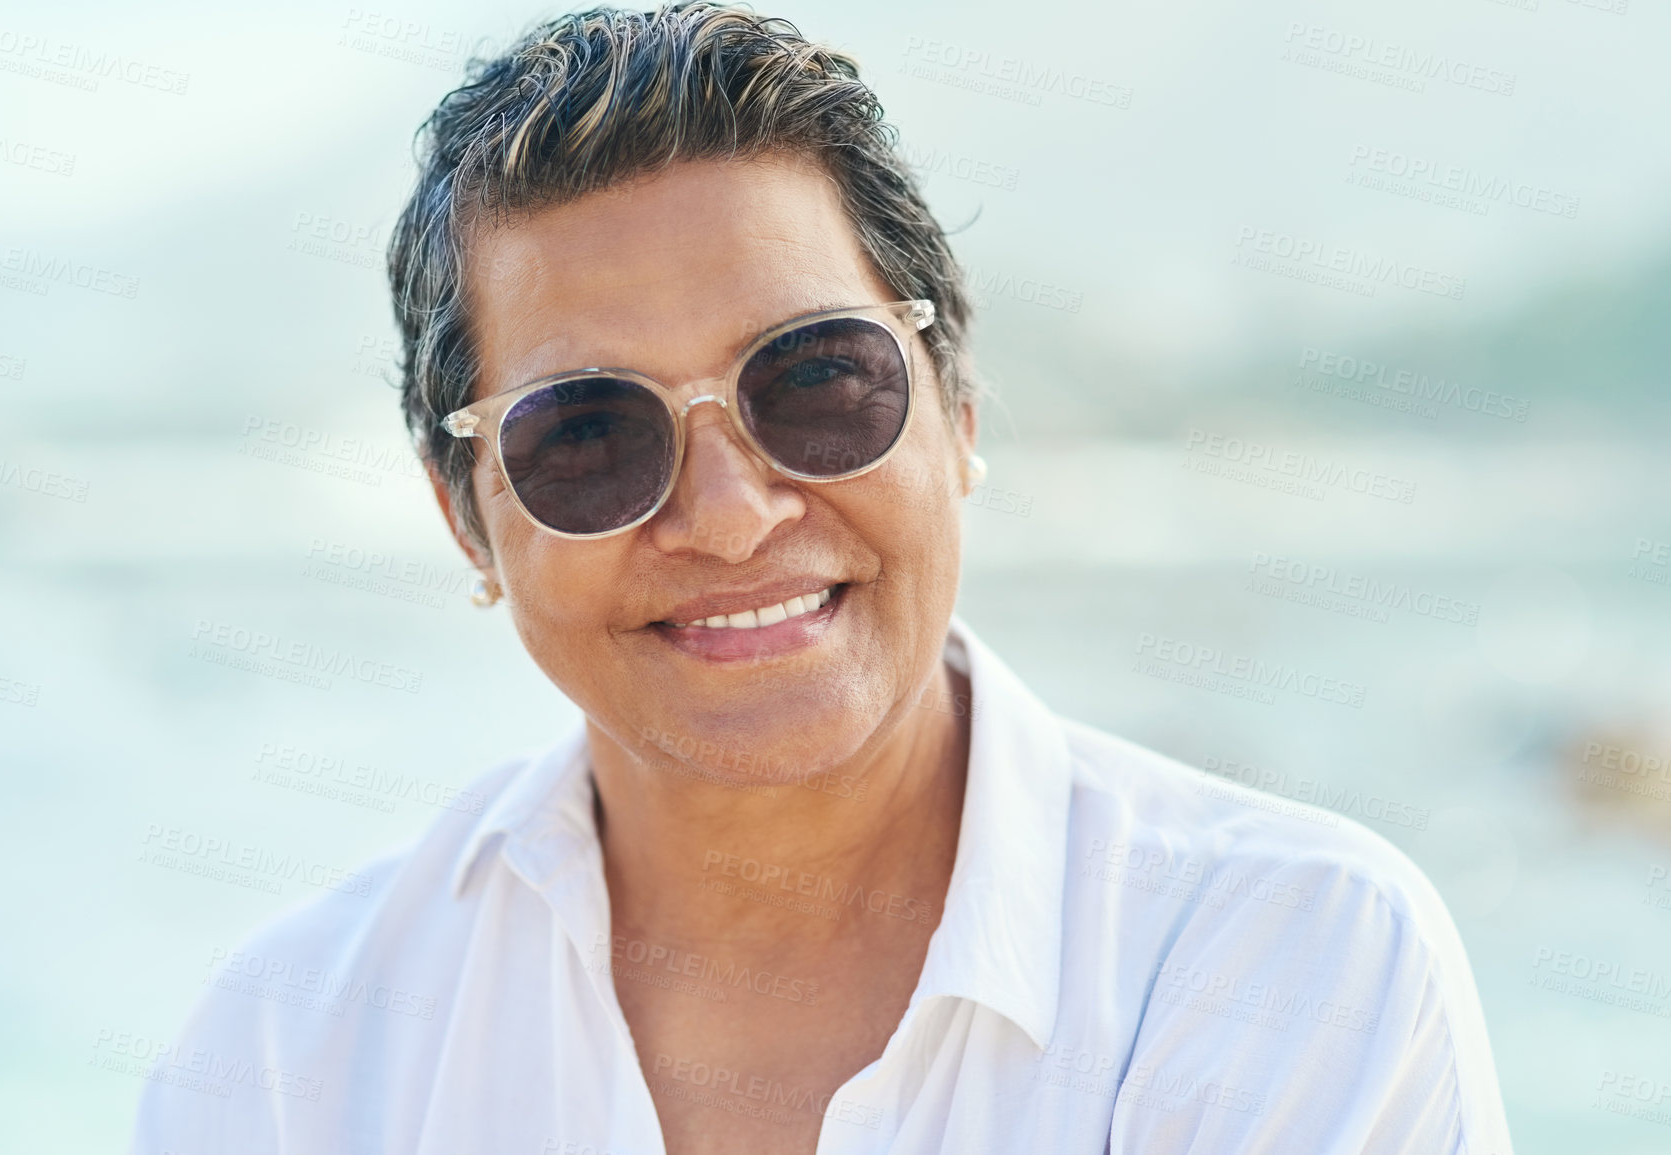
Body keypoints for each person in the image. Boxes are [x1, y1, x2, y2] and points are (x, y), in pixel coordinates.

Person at [133, 5, 1514, 1152]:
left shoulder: (1291, 969)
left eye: (818, 381)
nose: (732, 518)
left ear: (960, 409)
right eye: (593, 437)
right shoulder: (289, 1056)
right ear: (465, 521)